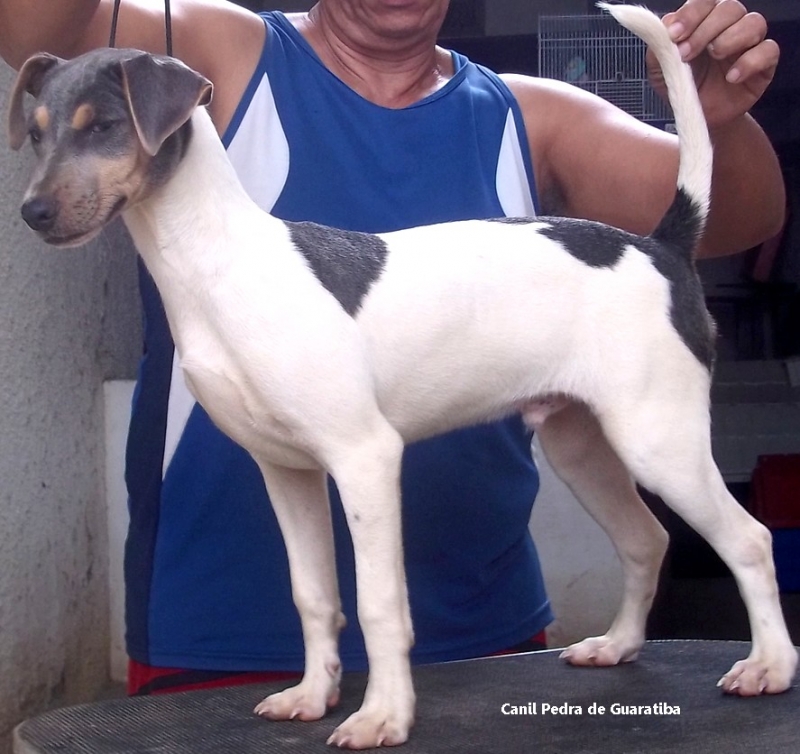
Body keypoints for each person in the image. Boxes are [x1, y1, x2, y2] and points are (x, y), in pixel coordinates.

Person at [0, 0, 784, 697]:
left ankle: (765, 632)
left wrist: (716, 119)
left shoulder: (530, 113)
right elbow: (43, 30)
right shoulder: (219, 48)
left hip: (491, 641)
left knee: (651, 466)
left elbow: (741, 216)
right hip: (208, 637)